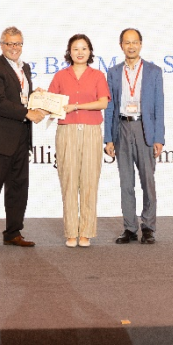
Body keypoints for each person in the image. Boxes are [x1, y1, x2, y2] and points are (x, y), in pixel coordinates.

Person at [0, 26, 46, 251]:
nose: (14, 48)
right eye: (10, 44)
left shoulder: (24, 68)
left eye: (18, 44)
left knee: (18, 188)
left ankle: (13, 233)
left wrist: (36, 97)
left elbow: (19, 97)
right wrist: (27, 112)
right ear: (2, 45)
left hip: (21, 137)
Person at [48, 34, 110, 248]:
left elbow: (103, 103)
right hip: (67, 131)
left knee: (90, 182)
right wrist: (40, 96)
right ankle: (71, 232)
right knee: (69, 181)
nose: (80, 52)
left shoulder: (98, 75)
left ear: (90, 51)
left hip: (91, 131)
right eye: (76, 49)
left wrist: (76, 106)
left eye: (84, 48)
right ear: (69, 52)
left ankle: (86, 232)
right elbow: (51, 102)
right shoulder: (60, 76)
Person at [104, 28, 164, 245]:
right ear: (121, 45)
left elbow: (159, 106)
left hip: (144, 129)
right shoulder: (113, 72)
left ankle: (148, 227)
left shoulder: (153, 71)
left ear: (141, 44)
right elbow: (109, 107)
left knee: (148, 181)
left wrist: (159, 138)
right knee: (126, 183)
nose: (131, 46)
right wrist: (108, 138)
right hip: (121, 127)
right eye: (127, 42)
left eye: (135, 42)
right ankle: (129, 228)